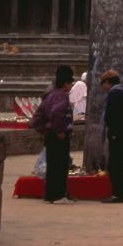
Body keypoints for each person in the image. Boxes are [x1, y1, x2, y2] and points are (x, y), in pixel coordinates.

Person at [32, 65, 74, 204]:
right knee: (60, 166)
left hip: (50, 134)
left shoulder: (50, 95)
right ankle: (59, 194)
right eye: (70, 83)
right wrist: (59, 131)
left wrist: (46, 130)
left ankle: (50, 194)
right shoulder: (61, 96)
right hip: (58, 135)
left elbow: (38, 116)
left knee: (52, 165)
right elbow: (56, 113)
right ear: (66, 84)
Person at [101, 69, 123, 204]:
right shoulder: (121, 93)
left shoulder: (115, 94)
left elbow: (113, 116)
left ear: (108, 82)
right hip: (122, 134)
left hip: (117, 134)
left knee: (116, 164)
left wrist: (112, 133)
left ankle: (117, 194)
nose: (103, 87)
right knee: (118, 163)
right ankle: (119, 193)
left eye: (103, 83)